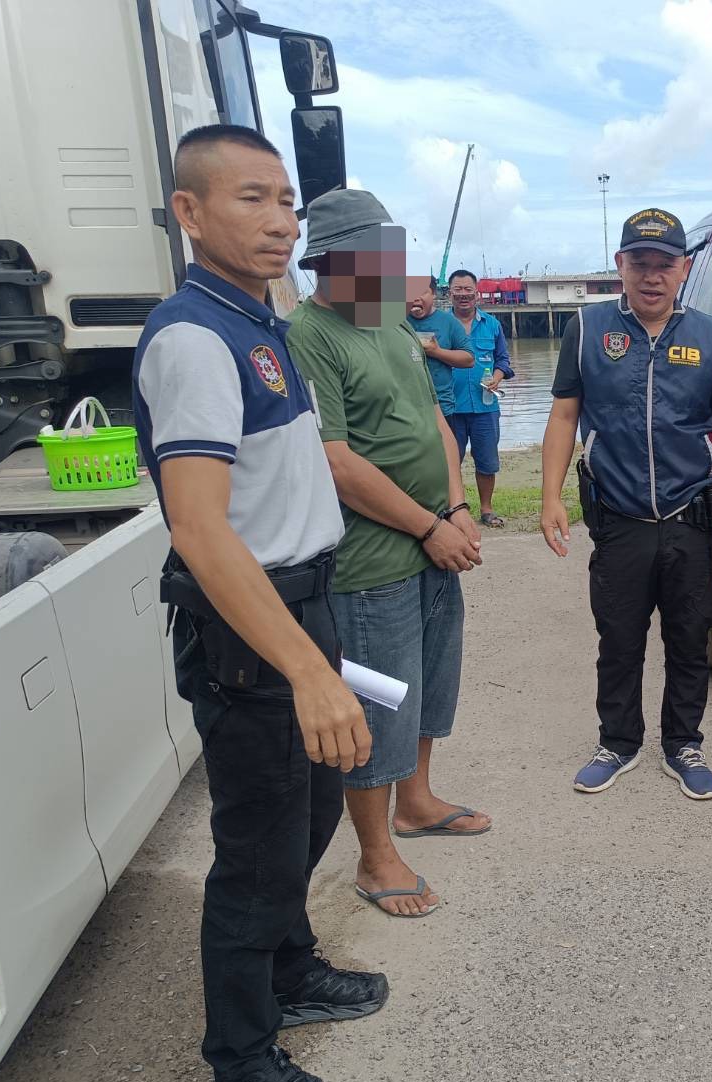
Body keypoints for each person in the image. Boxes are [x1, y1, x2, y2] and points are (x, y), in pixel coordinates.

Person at [134, 125, 383, 1082]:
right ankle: (240, 1065)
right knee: (256, 852)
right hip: (255, 629)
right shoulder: (195, 337)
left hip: (304, 603)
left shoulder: (259, 321)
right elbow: (200, 529)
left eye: (285, 200)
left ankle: (290, 969)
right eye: (251, 198)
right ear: (189, 212)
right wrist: (309, 671)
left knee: (309, 812)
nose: (281, 221)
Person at [286, 189, 492, 922]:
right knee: (378, 705)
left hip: (435, 544)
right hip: (371, 565)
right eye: (374, 258)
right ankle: (375, 856)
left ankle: (417, 802)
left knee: (431, 686)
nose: (388, 270)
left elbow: (433, 417)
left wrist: (457, 509)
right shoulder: (308, 335)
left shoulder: (389, 321)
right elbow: (335, 460)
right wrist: (428, 527)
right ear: (331, 263)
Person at [540, 207, 712, 800]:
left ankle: (684, 744)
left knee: (690, 638)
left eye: (665, 264)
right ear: (620, 265)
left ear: (683, 268)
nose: (652, 276)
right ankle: (617, 742)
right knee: (619, 640)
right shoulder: (586, 329)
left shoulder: (711, 337)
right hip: (620, 519)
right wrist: (550, 497)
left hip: (691, 518)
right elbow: (563, 416)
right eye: (640, 262)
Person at [445, 269, 516, 526]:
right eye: (458, 289)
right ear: (450, 293)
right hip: (449, 407)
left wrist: (497, 377)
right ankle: (453, 509)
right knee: (448, 462)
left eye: (468, 289)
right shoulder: (440, 325)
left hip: (485, 407)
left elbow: (503, 360)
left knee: (486, 461)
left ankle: (486, 510)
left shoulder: (492, 325)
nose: (463, 294)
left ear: (476, 293)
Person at [406, 273, 476, 420]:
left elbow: (469, 359)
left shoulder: (449, 322)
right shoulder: (395, 322)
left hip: (441, 407)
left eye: (422, 292)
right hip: (403, 409)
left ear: (433, 294)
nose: (415, 298)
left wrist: (437, 352)